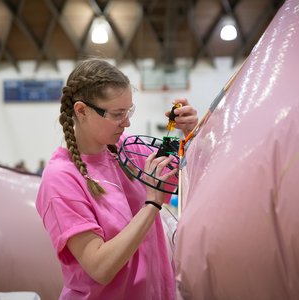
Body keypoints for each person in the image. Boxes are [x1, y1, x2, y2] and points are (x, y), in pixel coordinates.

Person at [36, 58, 198, 299]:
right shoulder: (61, 179)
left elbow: (188, 176)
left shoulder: (127, 149)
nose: (128, 122)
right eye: (117, 114)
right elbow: (100, 267)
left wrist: (191, 133)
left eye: (128, 111)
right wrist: (152, 203)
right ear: (82, 111)